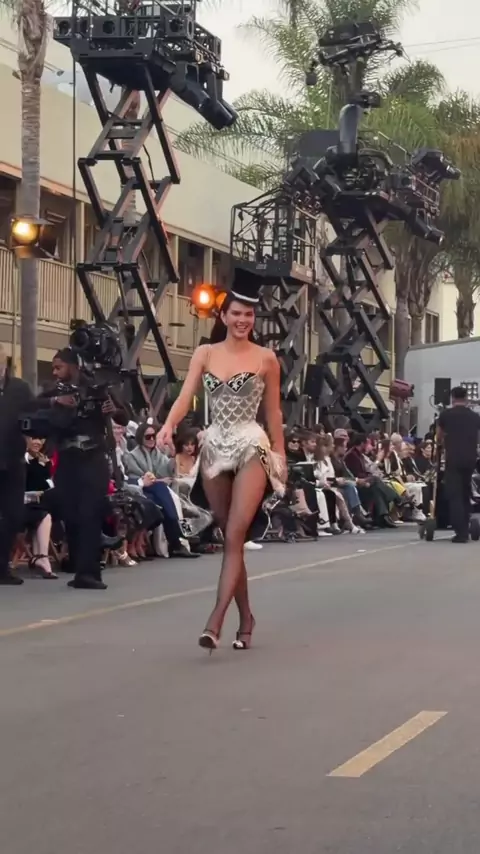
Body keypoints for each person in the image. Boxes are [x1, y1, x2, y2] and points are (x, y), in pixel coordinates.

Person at [157, 268, 286, 652]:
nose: (243, 320)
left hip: (251, 444)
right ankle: (246, 618)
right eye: (236, 313)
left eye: (249, 314)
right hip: (214, 446)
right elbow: (186, 396)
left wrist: (279, 453)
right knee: (230, 536)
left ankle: (215, 620)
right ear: (223, 316)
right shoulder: (205, 353)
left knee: (234, 535)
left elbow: (274, 412)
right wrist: (168, 424)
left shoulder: (267, 358)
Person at [49, 348, 128, 589]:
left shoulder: (98, 386)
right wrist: (55, 402)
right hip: (66, 457)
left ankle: (90, 572)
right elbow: (37, 406)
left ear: (73, 365)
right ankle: (78, 565)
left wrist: (113, 410)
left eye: (59, 367)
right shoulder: (56, 390)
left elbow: (125, 416)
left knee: (90, 512)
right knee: (70, 512)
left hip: (93, 456)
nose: (55, 372)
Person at [0, 346, 38, 585]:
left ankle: (2, 567)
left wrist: (30, 438)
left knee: (13, 515)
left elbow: (35, 416)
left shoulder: (20, 389)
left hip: (13, 460)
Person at [437, 386, 480, 543]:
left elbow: (439, 436)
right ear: (466, 397)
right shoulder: (475, 417)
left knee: (454, 495)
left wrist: (443, 443)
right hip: (470, 459)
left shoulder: (445, 415)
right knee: (465, 492)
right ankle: (467, 525)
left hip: (453, 458)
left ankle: (461, 533)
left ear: (452, 397)